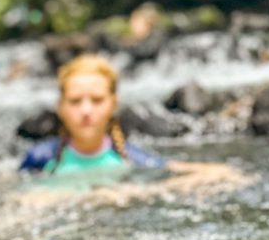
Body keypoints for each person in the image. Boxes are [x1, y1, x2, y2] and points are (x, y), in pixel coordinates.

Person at [19, 54, 166, 179]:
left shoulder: (136, 160)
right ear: (60, 107)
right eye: (75, 101)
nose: (86, 110)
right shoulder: (39, 158)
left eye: (97, 100)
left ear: (114, 105)